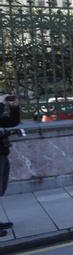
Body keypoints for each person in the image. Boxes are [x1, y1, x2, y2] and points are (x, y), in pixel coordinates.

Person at [0, 93, 21, 236]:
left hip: (1, 153)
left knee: (1, 187)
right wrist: (0, 103)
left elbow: (12, 122)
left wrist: (14, 108)